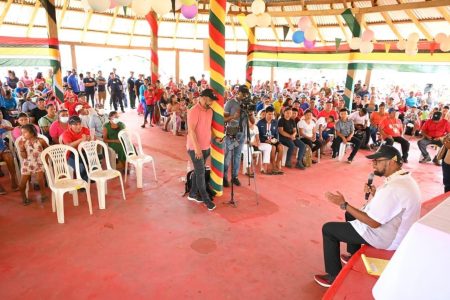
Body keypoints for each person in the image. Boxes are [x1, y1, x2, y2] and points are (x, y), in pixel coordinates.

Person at [314, 145, 421, 288]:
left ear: (392, 162)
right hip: (394, 230)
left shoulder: (394, 188)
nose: (374, 164)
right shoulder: (403, 180)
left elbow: (373, 223)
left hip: (387, 238)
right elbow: (392, 207)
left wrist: (344, 204)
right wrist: (375, 194)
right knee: (350, 214)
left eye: (378, 161)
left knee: (329, 229)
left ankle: (333, 276)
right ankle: (353, 254)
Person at [186, 89, 220, 211]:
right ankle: (206, 200)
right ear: (204, 98)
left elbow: (208, 128)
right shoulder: (193, 111)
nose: (211, 103)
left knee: (197, 171)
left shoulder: (210, 111)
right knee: (200, 173)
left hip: (206, 147)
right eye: (210, 100)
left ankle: (193, 194)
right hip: (195, 148)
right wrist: (197, 149)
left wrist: (215, 138)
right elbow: (191, 131)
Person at [223, 85, 256, 187]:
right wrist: (233, 116)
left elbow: (253, 121)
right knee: (228, 155)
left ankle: (234, 177)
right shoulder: (230, 103)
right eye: (243, 93)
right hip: (231, 133)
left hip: (242, 134)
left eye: (247, 94)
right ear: (238, 92)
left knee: (237, 156)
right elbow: (223, 119)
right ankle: (224, 177)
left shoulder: (248, 104)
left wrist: (250, 113)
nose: (245, 95)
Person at [17, 124, 49, 205]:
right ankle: (24, 197)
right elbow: (24, 157)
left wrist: (46, 161)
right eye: (22, 133)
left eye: (25, 132)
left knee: (40, 179)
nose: (23, 135)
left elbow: (47, 150)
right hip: (27, 164)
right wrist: (21, 149)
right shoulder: (23, 142)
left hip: (39, 163)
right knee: (22, 184)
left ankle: (43, 195)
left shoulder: (40, 140)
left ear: (32, 132)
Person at [61, 116, 91, 181]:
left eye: (79, 124)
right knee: (80, 166)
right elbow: (69, 146)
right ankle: (83, 182)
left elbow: (89, 141)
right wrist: (81, 139)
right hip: (70, 154)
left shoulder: (85, 130)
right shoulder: (66, 133)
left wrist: (89, 139)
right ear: (70, 125)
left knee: (94, 159)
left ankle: (87, 177)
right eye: (75, 124)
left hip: (83, 151)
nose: (78, 126)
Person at [257, 106, 284, 175]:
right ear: (266, 113)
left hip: (273, 140)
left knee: (281, 147)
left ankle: (278, 163)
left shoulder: (275, 122)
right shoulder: (260, 123)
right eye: (269, 114)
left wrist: (276, 140)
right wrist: (265, 140)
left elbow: (276, 133)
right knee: (273, 148)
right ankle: (273, 166)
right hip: (264, 141)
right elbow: (258, 135)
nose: (271, 116)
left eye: (272, 114)